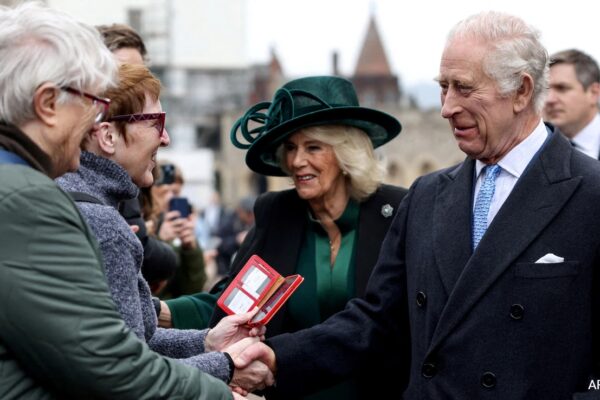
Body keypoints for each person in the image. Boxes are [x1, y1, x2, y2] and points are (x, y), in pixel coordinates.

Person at [234, 12, 600, 400]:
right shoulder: (426, 196)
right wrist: (276, 359)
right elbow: (376, 320)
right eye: (443, 87)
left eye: (464, 88)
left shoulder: (590, 194)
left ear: (522, 92)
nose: (446, 107)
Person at [0, 2, 237, 399]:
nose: (95, 118)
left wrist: (208, 347)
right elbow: (108, 366)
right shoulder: (29, 200)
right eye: (89, 100)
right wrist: (224, 385)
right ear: (46, 105)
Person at [56, 63, 269, 389]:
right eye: (157, 122)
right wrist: (226, 367)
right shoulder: (103, 224)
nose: (166, 138)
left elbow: (139, 341)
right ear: (108, 135)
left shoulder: (73, 199)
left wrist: (208, 342)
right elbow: (127, 374)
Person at [208, 75, 408, 399]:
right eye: (290, 148)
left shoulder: (398, 210)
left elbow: (392, 320)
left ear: (346, 153)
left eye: (313, 147)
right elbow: (233, 306)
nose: (297, 161)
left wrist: (276, 358)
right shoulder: (277, 213)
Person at [544, 49, 600, 159]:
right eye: (544, 90)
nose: (549, 99)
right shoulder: (534, 148)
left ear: (594, 93)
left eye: (562, 88)